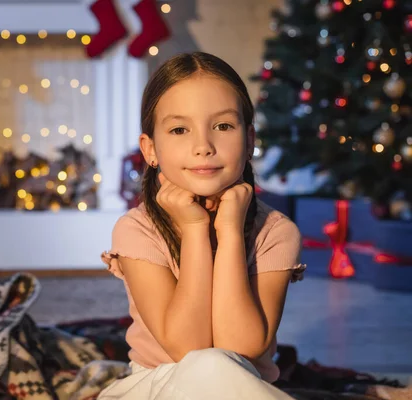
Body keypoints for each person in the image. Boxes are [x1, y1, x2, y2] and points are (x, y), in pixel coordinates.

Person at [99, 52, 306, 399]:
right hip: (154, 385)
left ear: (250, 139)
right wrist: (195, 230)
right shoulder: (137, 231)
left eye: (223, 126)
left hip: (244, 385)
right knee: (207, 363)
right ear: (150, 149)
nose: (203, 147)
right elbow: (188, 348)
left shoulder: (276, 231)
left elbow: (240, 348)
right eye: (180, 129)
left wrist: (229, 233)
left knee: (217, 364)